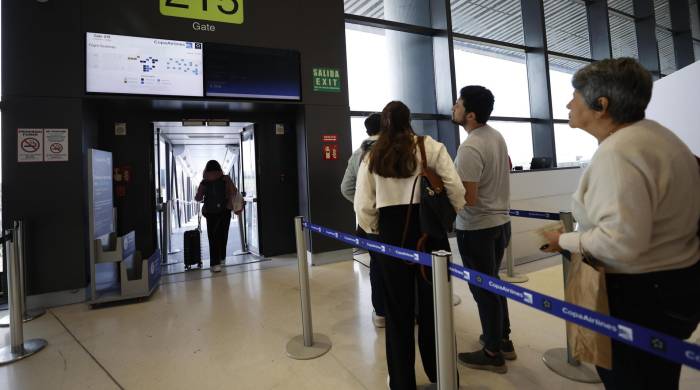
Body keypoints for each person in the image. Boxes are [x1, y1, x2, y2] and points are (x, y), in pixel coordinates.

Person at [542, 58, 700, 390]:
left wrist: (566, 241)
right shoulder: (659, 137)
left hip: (640, 295)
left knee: (631, 379)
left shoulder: (619, 152)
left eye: (576, 95)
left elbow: (621, 242)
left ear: (602, 105)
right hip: (674, 288)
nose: (569, 103)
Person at [355, 101, 465, 389]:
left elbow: (363, 206)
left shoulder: (373, 156)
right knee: (436, 308)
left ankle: (403, 382)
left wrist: (377, 230)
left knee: (397, 312)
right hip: (430, 236)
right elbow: (456, 189)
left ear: (384, 124)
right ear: (410, 120)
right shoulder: (430, 146)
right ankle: (441, 375)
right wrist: (448, 215)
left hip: (392, 238)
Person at [451, 85, 515, 373]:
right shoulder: (496, 137)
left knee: (484, 290)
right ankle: (503, 339)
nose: (454, 108)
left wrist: (442, 191)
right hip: (501, 224)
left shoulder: (471, 146)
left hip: (477, 228)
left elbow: (469, 198)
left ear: (471, 115)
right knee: (494, 283)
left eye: (458, 105)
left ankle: (491, 352)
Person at [340, 113, 386, 328]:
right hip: (403, 220)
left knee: (377, 265)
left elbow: (346, 188)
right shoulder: (401, 150)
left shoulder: (359, 154)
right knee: (404, 262)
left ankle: (381, 313)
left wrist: (363, 203)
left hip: (370, 221)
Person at [195, 160, 241, 273]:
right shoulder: (225, 178)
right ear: (219, 168)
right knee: (223, 235)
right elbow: (234, 191)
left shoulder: (204, 182)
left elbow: (198, 198)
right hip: (225, 211)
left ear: (206, 169)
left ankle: (215, 264)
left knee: (213, 237)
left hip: (211, 214)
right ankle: (222, 259)